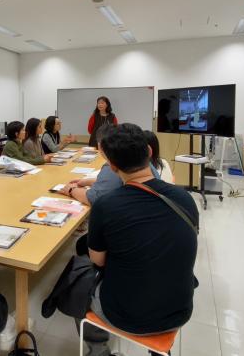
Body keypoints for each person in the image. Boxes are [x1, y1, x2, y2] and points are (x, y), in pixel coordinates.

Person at [84, 124, 198, 356]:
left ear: (112, 166)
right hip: (179, 309)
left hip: (126, 315)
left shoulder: (107, 206)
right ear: (148, 151)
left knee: (78, 283)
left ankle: (98, 350)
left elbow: (98, 260)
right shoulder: (184, 198)